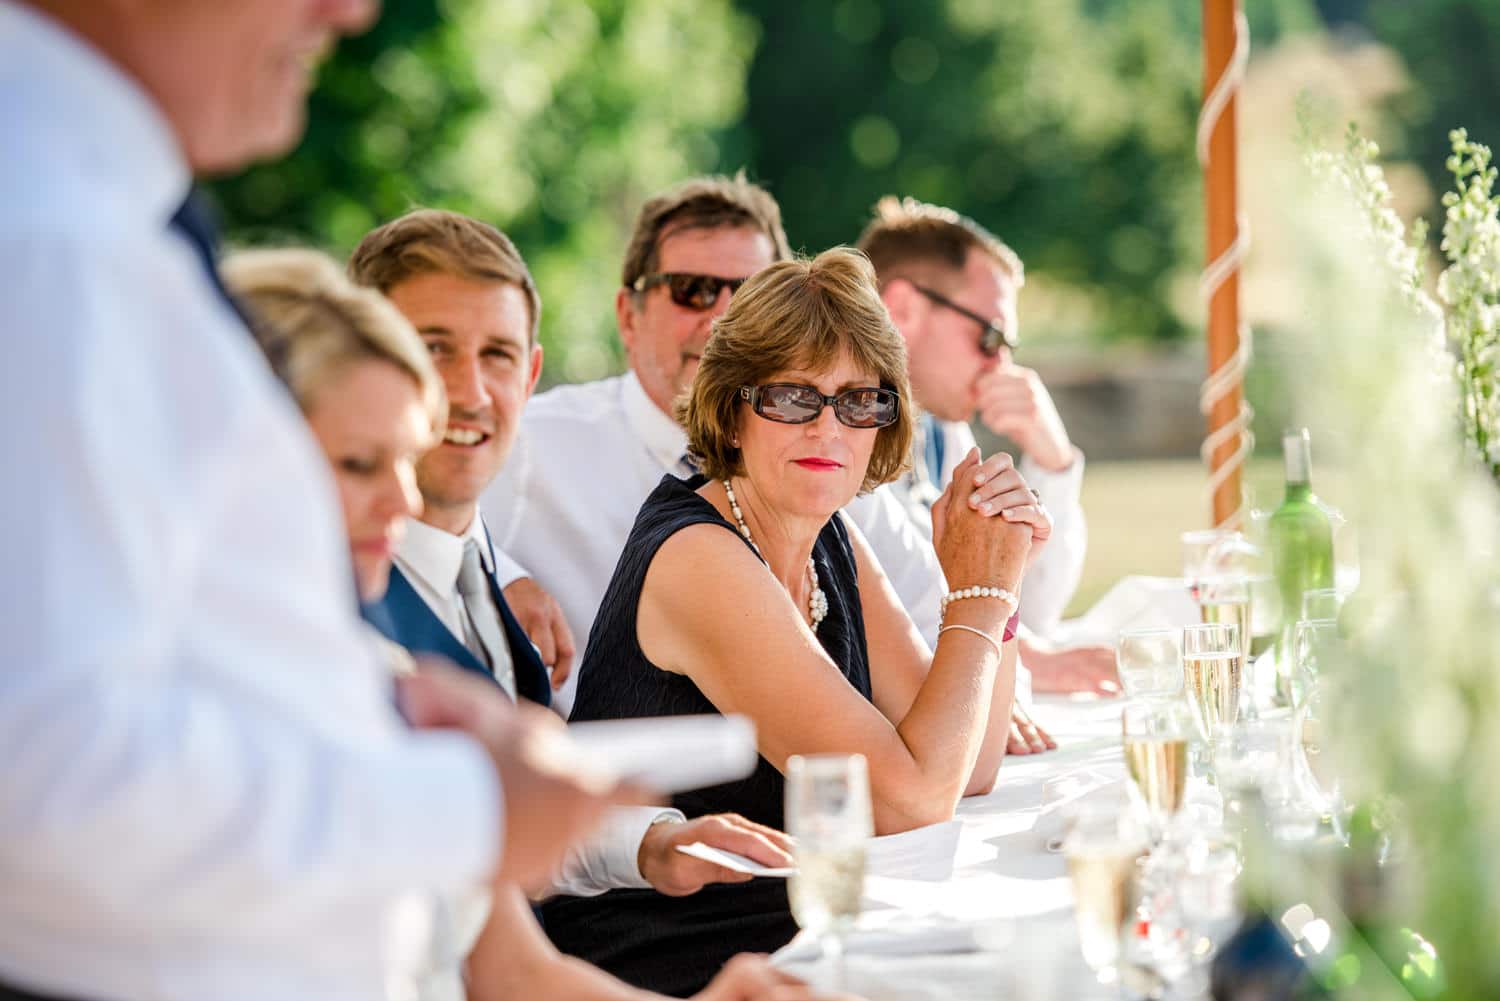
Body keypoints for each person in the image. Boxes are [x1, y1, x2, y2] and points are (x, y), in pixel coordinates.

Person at [0, 4, 632, 999]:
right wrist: (462, 807)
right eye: (348, 463)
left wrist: (381, 707)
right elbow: (44, 769)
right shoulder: (51, 240)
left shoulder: (93, 218)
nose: (351, 10)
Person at [226, 246, 846, 1001]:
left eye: (498, 353)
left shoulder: (431, 620)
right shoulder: (197, 721)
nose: (397, 498)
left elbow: (513, 964)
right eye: (359, 463)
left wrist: (649, 845)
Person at [540, 248, 1052, 996]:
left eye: (859, 401)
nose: (829, 429)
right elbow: (910, 802)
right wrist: (979, 593)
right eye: (792, 397)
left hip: (792, 932)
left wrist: (996, 589)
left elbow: (964, 765)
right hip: (673, 962)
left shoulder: (827, 532)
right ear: (731, 409)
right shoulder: (700, 557)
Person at [482, 174, 1055, 754]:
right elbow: (410, 501)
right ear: (628, 316)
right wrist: (497, 572)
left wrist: (999, 589)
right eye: (694, 290)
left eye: (752, 291)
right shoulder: (540, 442)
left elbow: (947, 637)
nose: (722, 318)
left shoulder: (826, 484)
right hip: (616, 819)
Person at [854, 196, 1119, 696]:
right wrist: (1033, 664)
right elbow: (906, 620)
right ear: (903, 308)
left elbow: (1035, 609)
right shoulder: (833, 435)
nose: (1000, 365)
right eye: (991, 337)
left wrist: (1053, 460)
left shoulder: (938, 428)